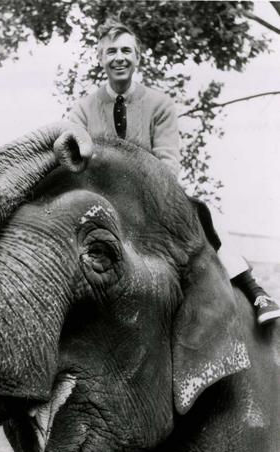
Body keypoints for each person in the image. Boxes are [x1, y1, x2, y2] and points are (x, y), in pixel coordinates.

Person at [69, 18, 280, 326]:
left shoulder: (159, 104)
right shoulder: (83, 109)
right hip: (101, 202)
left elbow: (168, 162)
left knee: (203, 214)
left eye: (126, 50)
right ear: (100, 59)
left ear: (138, 58)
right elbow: (76, 159)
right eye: (111, 51)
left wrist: (143, 195)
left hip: (152, 198)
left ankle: (254, 289)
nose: (119, 58)